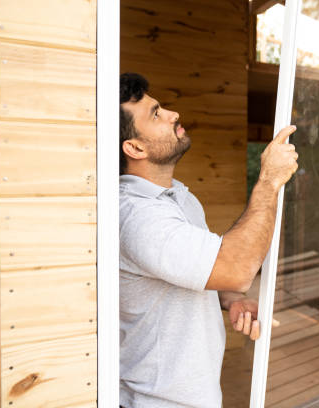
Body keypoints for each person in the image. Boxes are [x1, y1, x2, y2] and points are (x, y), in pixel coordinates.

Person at [118, 72, 298, 408]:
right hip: (154, 401)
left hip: (196, 394)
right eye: (156, 114)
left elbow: (199, 272)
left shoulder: (180, 197)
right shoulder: (137, 216)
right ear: (135, 147)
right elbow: (237, 268)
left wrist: (229, 299)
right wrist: (270, 180)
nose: (173, 115)